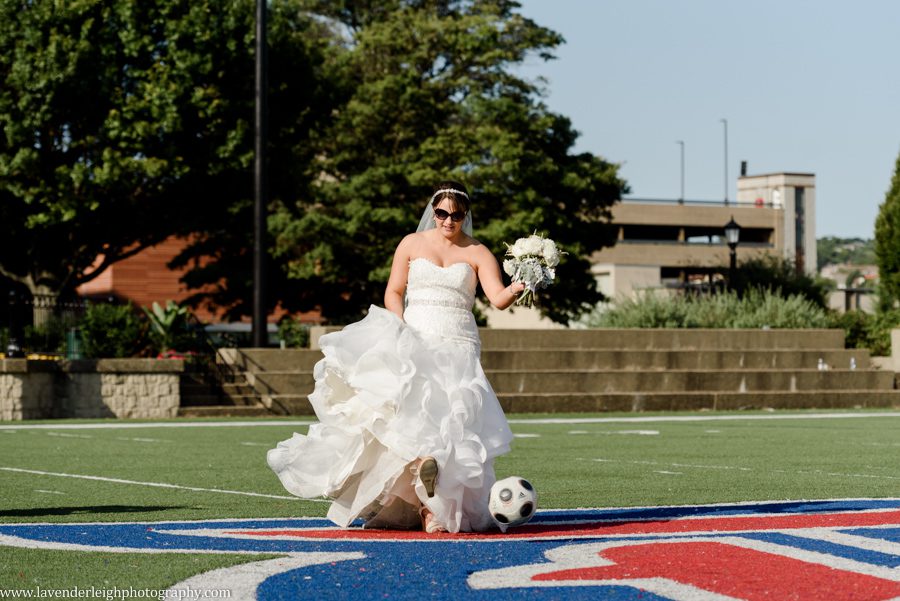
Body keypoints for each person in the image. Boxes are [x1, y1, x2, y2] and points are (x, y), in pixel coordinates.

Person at [267, 181, 526, 534]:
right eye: (442, 213)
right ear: (433, 210)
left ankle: (436, 509)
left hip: (459, 344)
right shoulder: (410, 243)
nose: (449, 220)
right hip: (416, 337)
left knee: (454, 422)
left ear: (466, 215)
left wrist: (518, 287)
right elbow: (394, 291)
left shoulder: (478, 251)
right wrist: (400, 325)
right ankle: (425, 483)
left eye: (456, 214)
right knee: (414, 415)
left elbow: (497, 298)